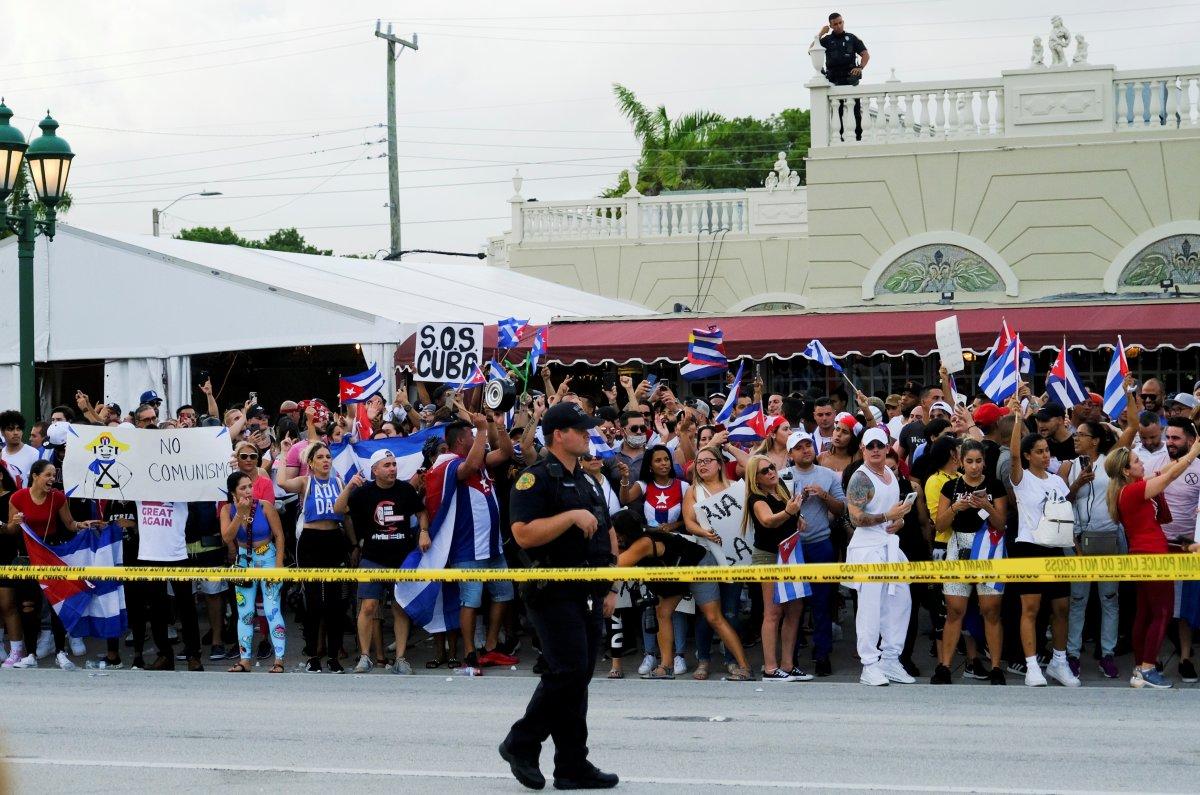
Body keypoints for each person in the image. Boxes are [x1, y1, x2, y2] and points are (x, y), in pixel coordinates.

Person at [500, 402, 618, 791]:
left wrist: (610, 586)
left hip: (587, 589)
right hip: (551, 591)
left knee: (577, 677)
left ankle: (571, 765)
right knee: (567, 671)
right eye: (580, 428)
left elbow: (605, 534)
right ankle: (521, 742)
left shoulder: (587, 481)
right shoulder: (535, 479)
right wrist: (569, 518)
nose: (588, 434)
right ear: (558, 435)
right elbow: (523, 534)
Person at [425, 414, 518, 671]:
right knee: (471, 600)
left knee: (504, 594)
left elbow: (506, 452)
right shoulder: (450, 465)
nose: (478, 437)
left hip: (492, 545)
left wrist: (498, 426)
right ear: (460, 441)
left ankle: (489, 648)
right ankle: (469, 653)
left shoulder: (481, 462)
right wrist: (481, 429)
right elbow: (470, 465)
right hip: (467, 548)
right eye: (471, 435)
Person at [614, 510, 752, 681]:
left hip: (697, 564)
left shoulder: (643, 542)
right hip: (676, 572)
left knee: (713, 617)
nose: (615, 537)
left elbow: (617, 565)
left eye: (615, 533)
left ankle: (744, 667)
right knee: (662, 613)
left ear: (624, 532)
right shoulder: (638, 539)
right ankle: (666, 666)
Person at [1107, 438, 1200, 688]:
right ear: (1126, 471)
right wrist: (1193, 455)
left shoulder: (1130, 488)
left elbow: (1166, 472)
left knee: (1146, 613)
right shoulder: (1135, 491)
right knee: (1162, 612)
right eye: (1137, 462)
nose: (1142, 464)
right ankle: (1148, 668)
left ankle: (1140, 667)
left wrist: (1189, 453)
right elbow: (1169, 479)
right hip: (1152, 556)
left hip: (1146, 554)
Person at [1005, 394, 1081, 688]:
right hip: (1029, 548)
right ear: (1027, 455)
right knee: (1031, 609)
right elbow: (1012, 455)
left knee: (1061, 608)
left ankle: (1059, 663)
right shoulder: (1021, 478)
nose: (1045, 455)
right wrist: (1016, 420)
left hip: (1056, 549)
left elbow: (1065, 514)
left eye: (1047, 450)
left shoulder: (1057, 481)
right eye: (1039, 451)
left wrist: (1073, 545)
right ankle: (1032, 665)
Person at [334, 448, 427, 675]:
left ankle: (401, 659)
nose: (392, 468)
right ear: (374, 470)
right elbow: (338, 510)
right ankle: (365, 657)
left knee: (400, 608)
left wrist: (424, 530)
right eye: (387, 465)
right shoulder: (363, 492)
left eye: (394, 464)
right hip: (373, 558)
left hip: (402, 559)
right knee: (368, 607)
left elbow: (422, 511)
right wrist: (349, 486)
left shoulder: (405, 489)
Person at [6, 459, 103, 669]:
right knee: (28, 606)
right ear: (35, 476)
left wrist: (81, 525)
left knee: (57, 605)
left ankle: (60, 652)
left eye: (54, 476)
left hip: (51, 555)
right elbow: (11, 532)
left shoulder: (58, 497)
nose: (52, 479)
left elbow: (69, 524)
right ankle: (30, 655)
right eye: (48, 475)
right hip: (26, 558)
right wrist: (15, 523)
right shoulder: (18, 497)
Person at [931, 439, 1008, 685]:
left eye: (978, 461)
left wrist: (985, 504)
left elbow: (1001, 524)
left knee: (991, 611)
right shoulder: (950, 486)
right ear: (961, 462)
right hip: (958, 547)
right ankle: (944, 666)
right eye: (969, 462)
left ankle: (996, 667)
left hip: (989, 547)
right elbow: (940, 525)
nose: (974, 467)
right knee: (955, 611)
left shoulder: (995, 486)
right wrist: (956, 507)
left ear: (984, 462)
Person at [843, 427, 915, 686]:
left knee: (900, 603)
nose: (875, 450)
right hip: (867, 550)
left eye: (879, 445)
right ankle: (869, 665)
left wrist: (900, 522)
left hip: (890, 546)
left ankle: (891, 660)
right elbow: (855, 518)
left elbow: (893, 514)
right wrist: (888, 517)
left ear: (887, 448)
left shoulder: (889, 474)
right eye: (870, 445)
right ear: (862, 448)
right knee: (870, 610)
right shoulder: (860, 479)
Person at [277, 441, 355, 673]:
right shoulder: (306, 481)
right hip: (310, 542)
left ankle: (333, 656)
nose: (325, 461)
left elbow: (347, 517)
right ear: (310, 463)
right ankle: (313, 654)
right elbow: (281, 482)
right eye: (320, 457)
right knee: (313, 602)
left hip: (335, 540)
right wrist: (283, 452)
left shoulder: (339, 482)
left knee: (335, 604)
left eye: (328, 457)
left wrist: (353, 545)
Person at [782, 429, 845, 676]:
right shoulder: (782, 476)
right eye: (799, 447)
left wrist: (825, 496)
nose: (805, 450)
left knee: (822, 602)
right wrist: (796, 503)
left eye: (808, 444)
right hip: (793, 546)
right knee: (793, 604)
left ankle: (822, 655)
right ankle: (792, 654)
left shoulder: (828, 474)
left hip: (820, 544)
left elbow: (841, 509)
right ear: (790, 453)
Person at [742, 454, 810, 682]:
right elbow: (768, 520)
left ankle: (788, 665)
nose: (771, 472)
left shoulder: (781, 489)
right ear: (755, 479)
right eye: (764, 471)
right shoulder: (756, 498)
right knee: (773, 612)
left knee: (795, 609)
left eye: (772, 467)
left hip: (790, 555)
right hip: (769, 557)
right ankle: (770, 668)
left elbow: (788, 515)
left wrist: (798, 518)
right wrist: (790, 512)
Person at [1063, 420, 1121, 679]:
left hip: (1107, 536)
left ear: (1096, 440)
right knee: (1078, 600)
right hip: (1077, 539)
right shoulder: (1069, 466)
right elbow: (1061, 503)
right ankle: (1072, 654)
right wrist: (1077, 484)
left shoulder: (1111, 464)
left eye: (1082, 435)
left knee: (1109, 599)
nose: (1076, 438)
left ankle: (1107, 654)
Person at [681, 443, 745, 680]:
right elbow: (688, 522)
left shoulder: (736, 488)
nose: (703, 465)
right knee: (707, 612)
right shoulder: (693, 490)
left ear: (720, 464)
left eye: (708, 460)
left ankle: (731, 660)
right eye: (699, 462)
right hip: (705, 555)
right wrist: (703, 532)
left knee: (730, 611)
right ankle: (704, 659)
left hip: (733, 556)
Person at [219, 471, 286, 674]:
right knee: (245, 613)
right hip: (243, 561)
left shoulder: (265, 506)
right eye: (243, 488)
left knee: (272, 609)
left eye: (250, 486)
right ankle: (245, 660)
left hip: (267, 559)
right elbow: (227, 537)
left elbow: (279, 536)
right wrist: (240, 513)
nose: (248, 491)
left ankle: (279, 660)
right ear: (233, 492)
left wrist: (279, 565)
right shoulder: (227, 510)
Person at [0, 411, 40, 487]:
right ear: (2, 432)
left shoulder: (34, 454)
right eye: (10, 429)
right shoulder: (1, 455)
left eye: (18, 429)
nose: (16, 433)